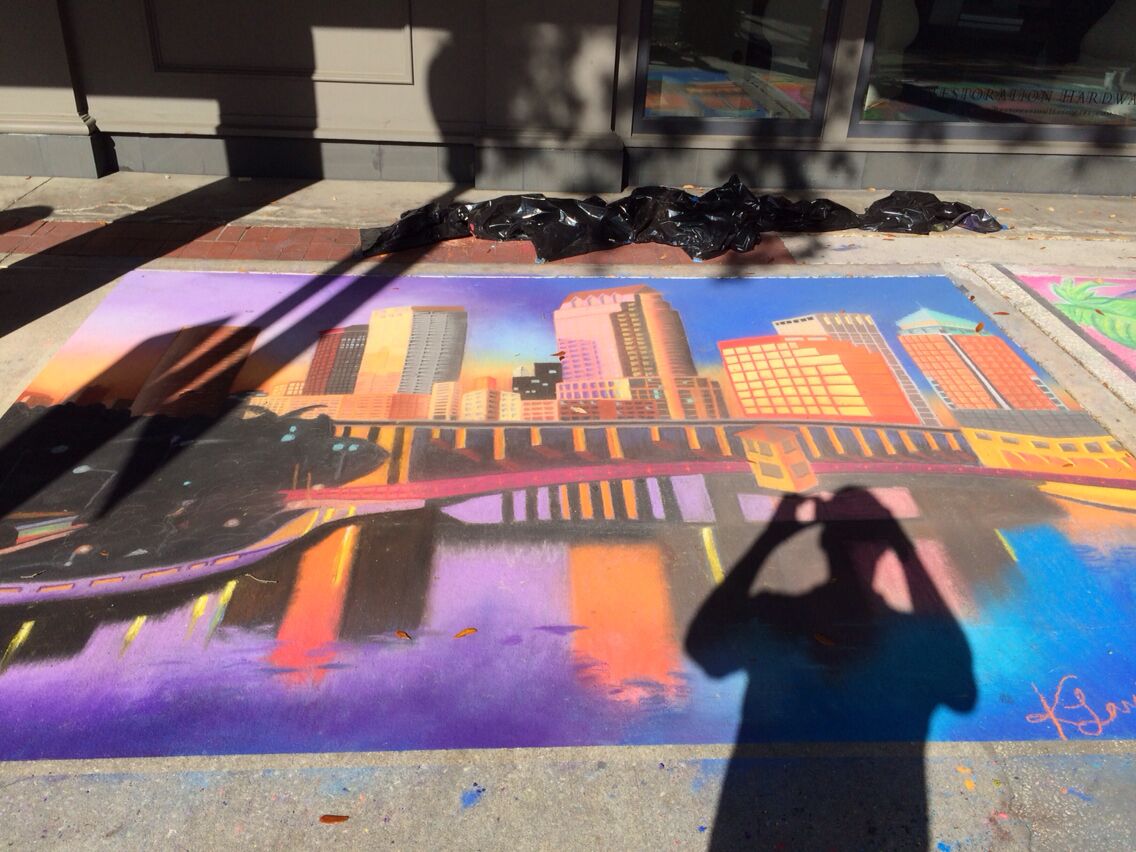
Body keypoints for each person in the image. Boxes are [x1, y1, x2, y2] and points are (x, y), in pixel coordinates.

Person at [686, 488, 976, 849]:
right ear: (882, 549)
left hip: (763, 827)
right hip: (882, 832)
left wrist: (771, 537)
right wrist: (903, 545)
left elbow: (704, 648)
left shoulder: (777, 619)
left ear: (822, 546)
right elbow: (960, 688)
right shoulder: (907, 640)